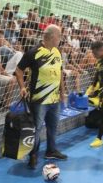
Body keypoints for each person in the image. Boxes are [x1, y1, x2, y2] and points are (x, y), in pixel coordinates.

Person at [16, 24, 68, 169]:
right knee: (37, 128)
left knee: (53, 126)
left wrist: (63, 93)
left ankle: (51, 150)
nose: (61, 39)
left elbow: (60, 74)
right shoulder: (33, 52)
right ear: (52, 37)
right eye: (59, 36)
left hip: (55, 99)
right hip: (39, 100)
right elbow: (19, 70)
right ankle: (33, 155)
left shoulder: (57, 52)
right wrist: (22, 87)